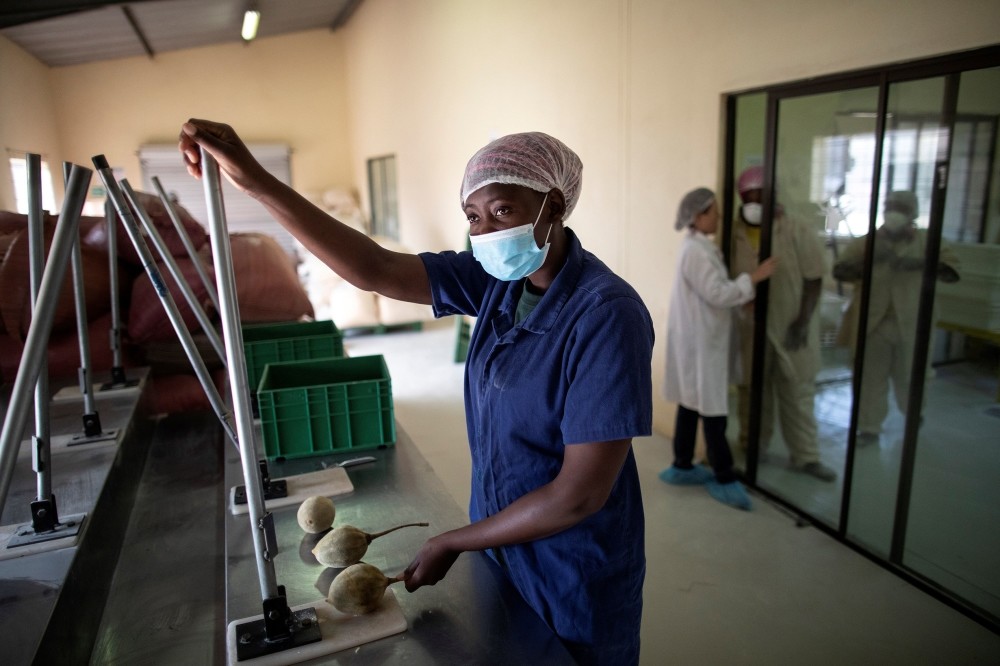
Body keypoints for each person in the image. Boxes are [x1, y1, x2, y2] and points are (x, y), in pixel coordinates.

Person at [179, 121, 654, 665]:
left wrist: (456, 539)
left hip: (573, 562)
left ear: (554, 202)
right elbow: (375, 268)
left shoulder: (605, 315)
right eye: (474, 217)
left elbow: (579, 496)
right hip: (501, 540)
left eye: (502, 210)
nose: (487, 231)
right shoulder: (499, 282)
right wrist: (256, 182)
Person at [661, 187, 776, 510]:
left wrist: (742, 295)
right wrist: (754, 278)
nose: (720, 218)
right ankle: (724, 476)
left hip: (698, 341)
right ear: (699, 216)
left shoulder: (698, 248)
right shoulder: (696, 251)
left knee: (691, 404)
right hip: (701, 346)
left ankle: (683, 464)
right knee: (712, 411)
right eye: (715, 213)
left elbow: (713, 294)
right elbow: (717, 293)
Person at [730, 166, 837, 481]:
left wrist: (803, 321)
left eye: (760, 195)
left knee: (797, 392)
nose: (755, 201)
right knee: (752, 391)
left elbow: (814, 278)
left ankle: (806, 456)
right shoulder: (734, 232)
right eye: (749, 196)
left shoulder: (796, 229)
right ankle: (754, 446)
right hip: (751, 328)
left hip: (791, 326)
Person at [832, 190, 960, 446]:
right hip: (873, 324)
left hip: (912, 324)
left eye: (899, 208)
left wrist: (921, 264)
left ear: (912, 214)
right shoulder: (866, 243)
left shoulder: (929, 242)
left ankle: (914, 416)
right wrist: (868, 263)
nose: (893, 212)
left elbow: (952, 273)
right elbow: (840, 271)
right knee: (869, 379)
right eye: (889, 206)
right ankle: (869, 428)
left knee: (910, 376)